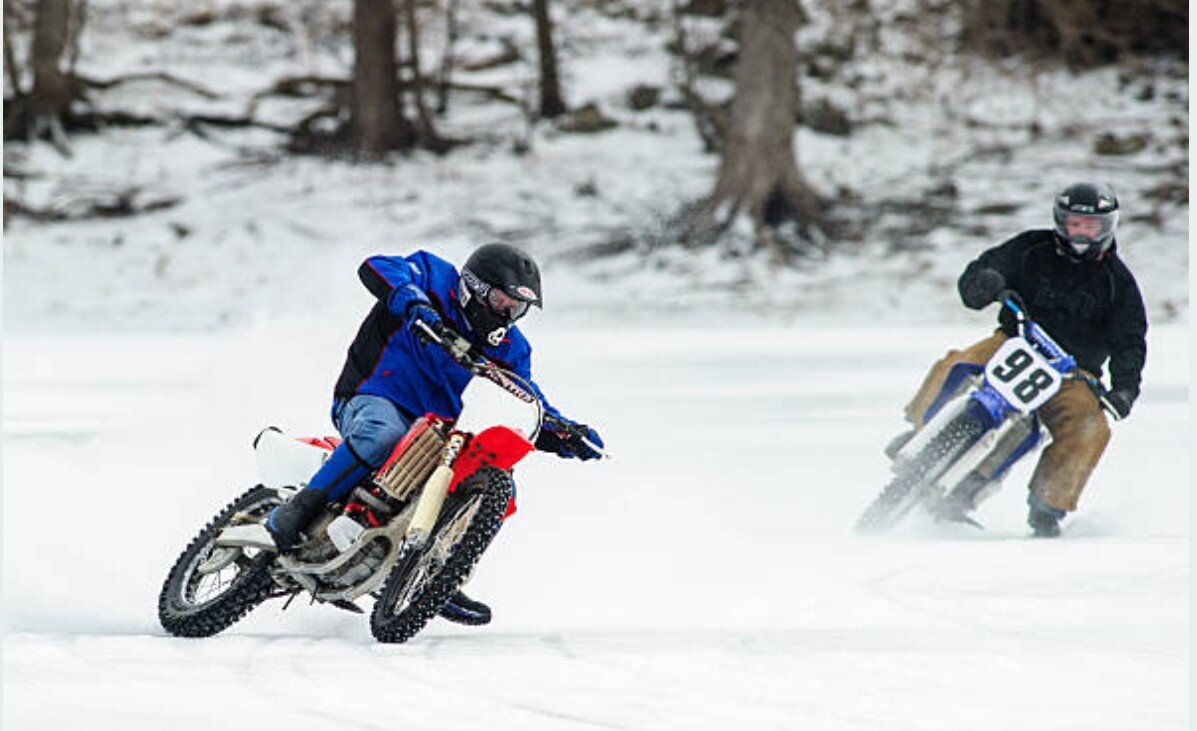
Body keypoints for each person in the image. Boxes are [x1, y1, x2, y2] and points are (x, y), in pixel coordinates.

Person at [246, 242, 604, 623]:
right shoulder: (433, 277)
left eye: (517, 309)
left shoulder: (512, 349)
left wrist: (565, 431)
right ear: (474, 287)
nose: (507, 315)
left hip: (437, 435)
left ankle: (436, 573)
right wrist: (414, 303)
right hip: (375, 397)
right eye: (502, 302)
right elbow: (378, 267)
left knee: (499, 486)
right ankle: (298, 511)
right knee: (384, 435)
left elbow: (525, 395)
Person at [898, 182, 1147, 537]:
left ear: (1107, 228)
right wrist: (985, 283)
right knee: (959, 363)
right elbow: (983, 271)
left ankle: (1048, 508)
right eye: (1074, 224)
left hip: (1073, 372)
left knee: (1090, 426)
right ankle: (919, 429)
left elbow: (1130, 343)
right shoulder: (1031, 248)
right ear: (1060, 222)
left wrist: (1124, 389)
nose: (1081, 233)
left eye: (1090, 227)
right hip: (1015, 341)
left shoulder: (1117, 283)